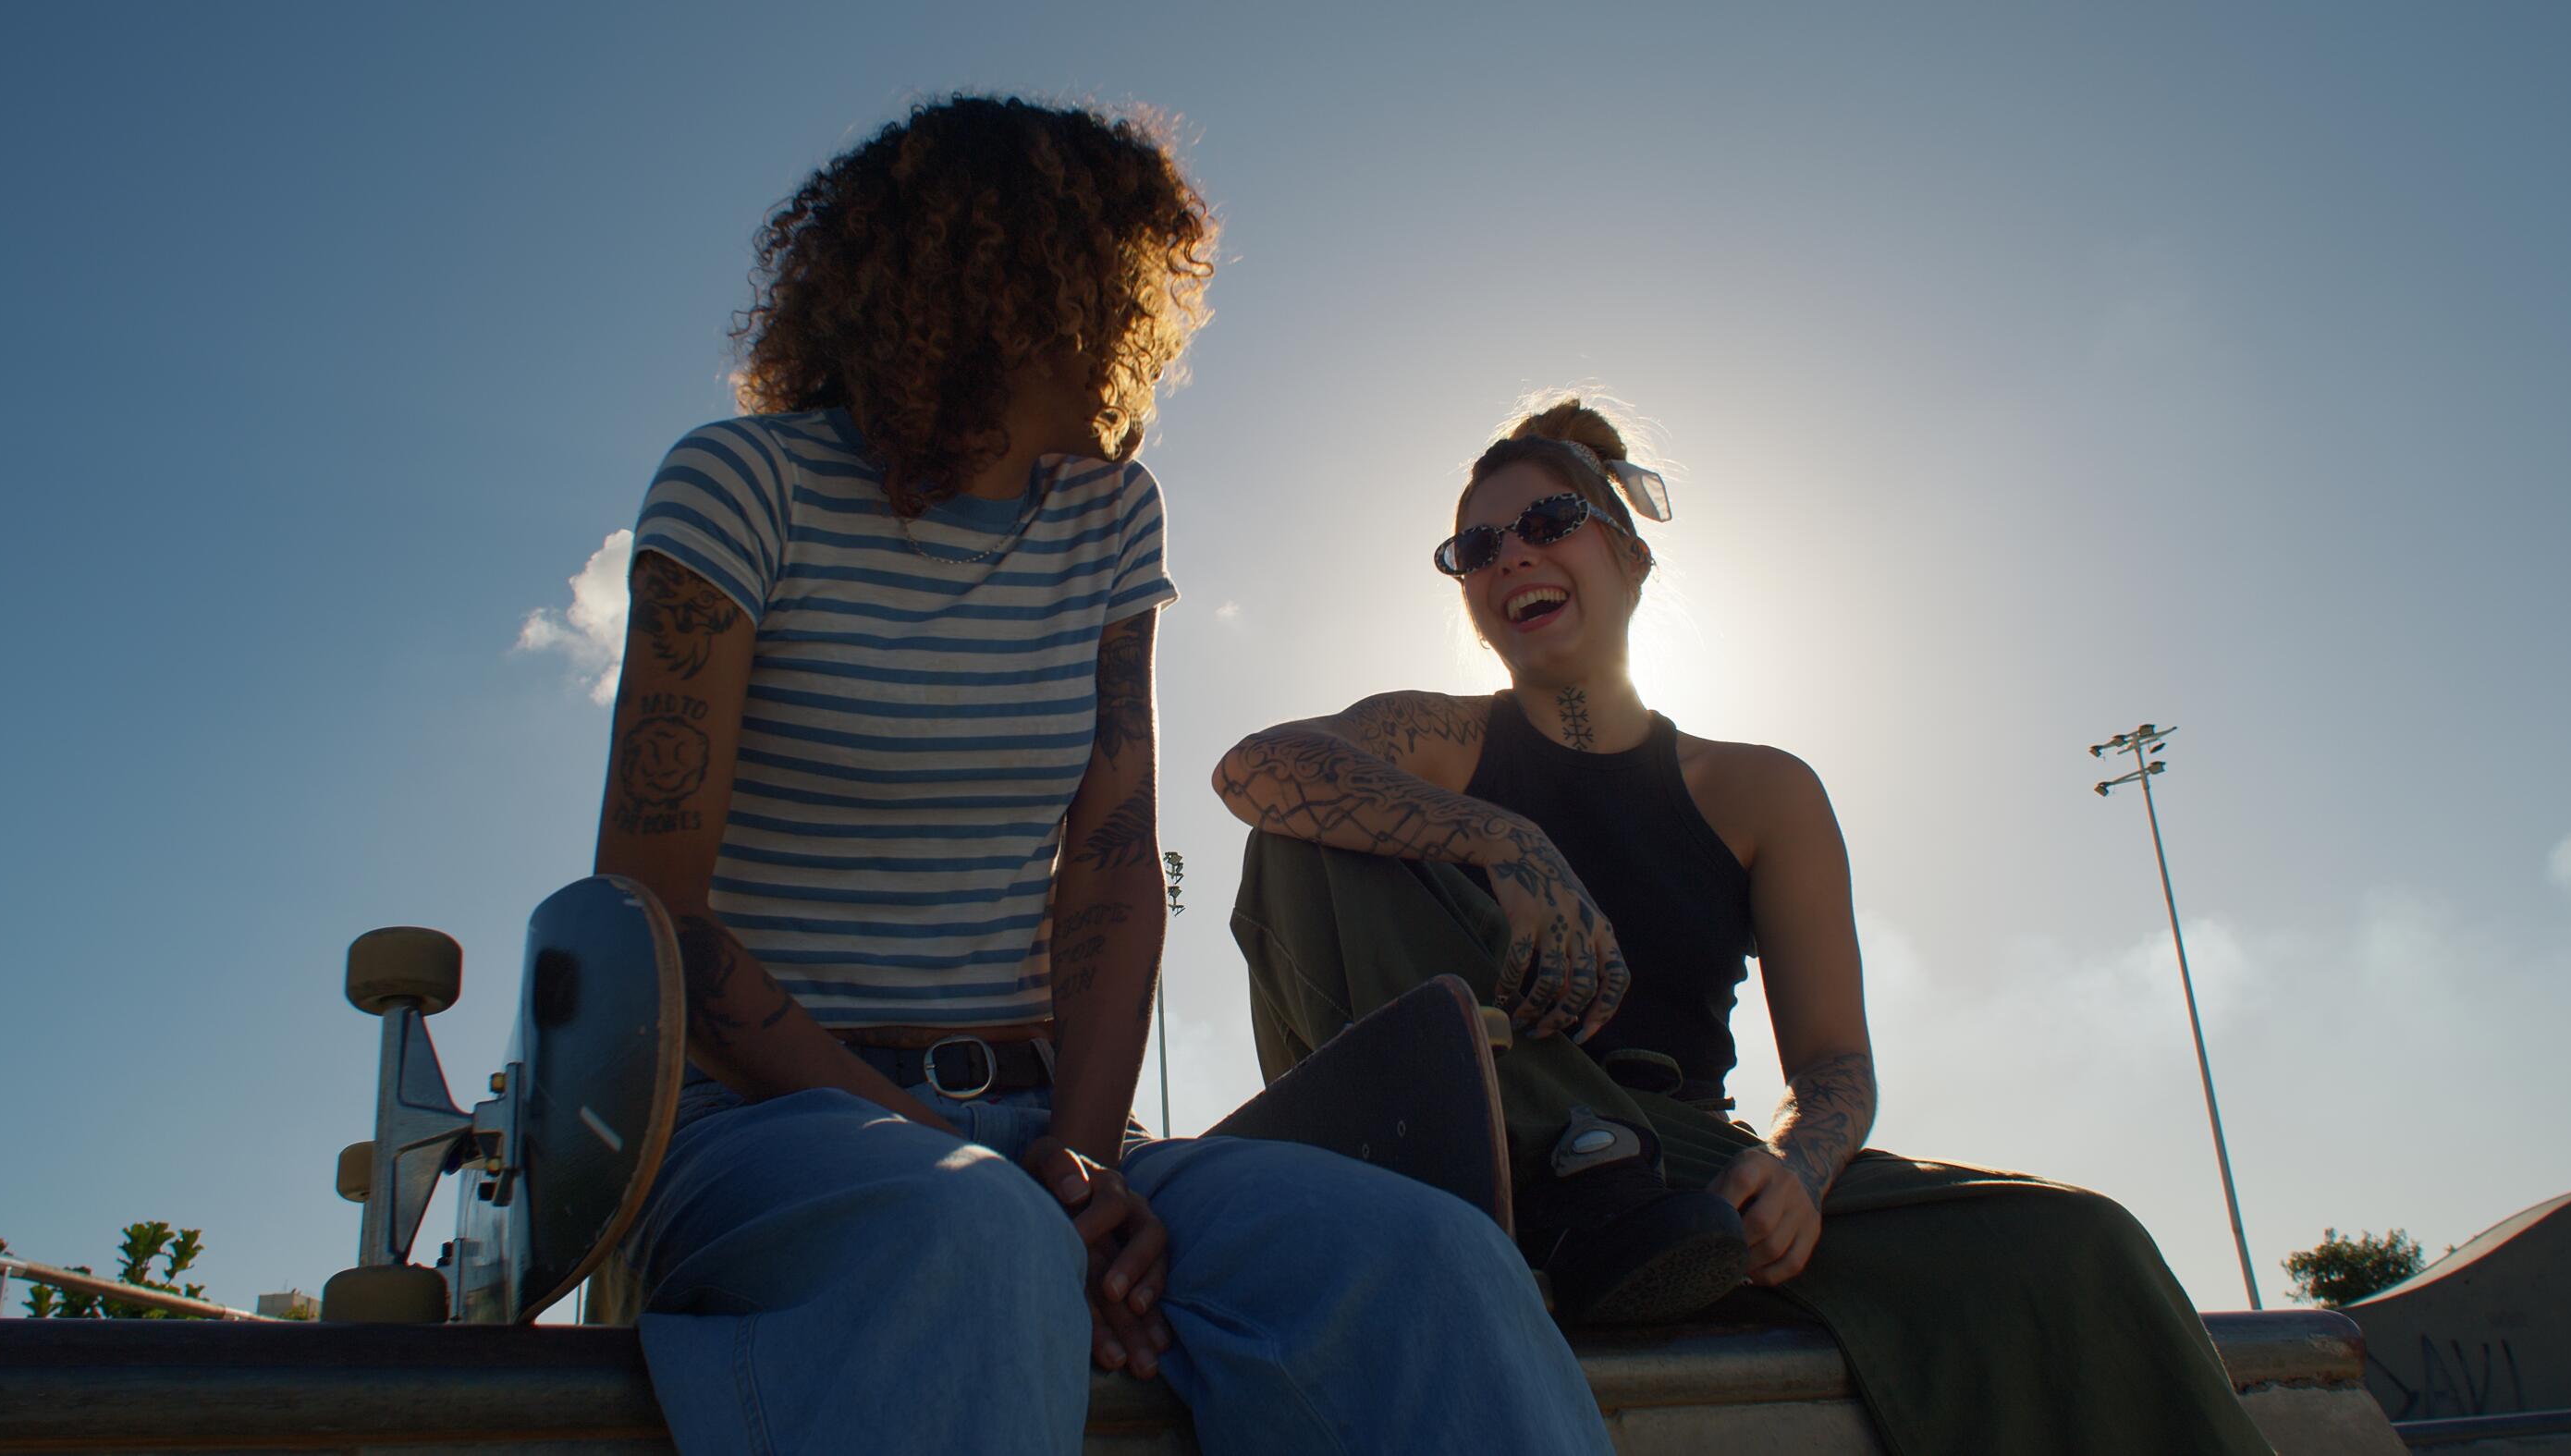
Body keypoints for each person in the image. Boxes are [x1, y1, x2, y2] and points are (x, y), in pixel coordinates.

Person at [597, 99, 1611, 1455]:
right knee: (971, 1227)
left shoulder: (1111, 516)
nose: (1153, 328)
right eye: (1125, 279)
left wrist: (1074, 1160)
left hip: (1050, 1128)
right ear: (1008, 277)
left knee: (1429, 1258)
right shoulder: (740, 486)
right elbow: (651, 911)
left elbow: (1116, 858)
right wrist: (1012, 1182)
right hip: (767, 1127)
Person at [1211, 397, 2278, 1453]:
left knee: (2077, 1243)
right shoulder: (1440, 740)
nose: (1509, 558)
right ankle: (1554, 1190)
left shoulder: (1759, 791)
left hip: (1674, 1171)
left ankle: (1615, 1208)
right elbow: (1254, 768)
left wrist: (1797, 1173)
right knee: (1306, 828)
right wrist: (1501, 839)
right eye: (1476, 545)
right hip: (1466, 1141)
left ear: (1630, 556)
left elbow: (1834, 1064)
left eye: (1548, 524)